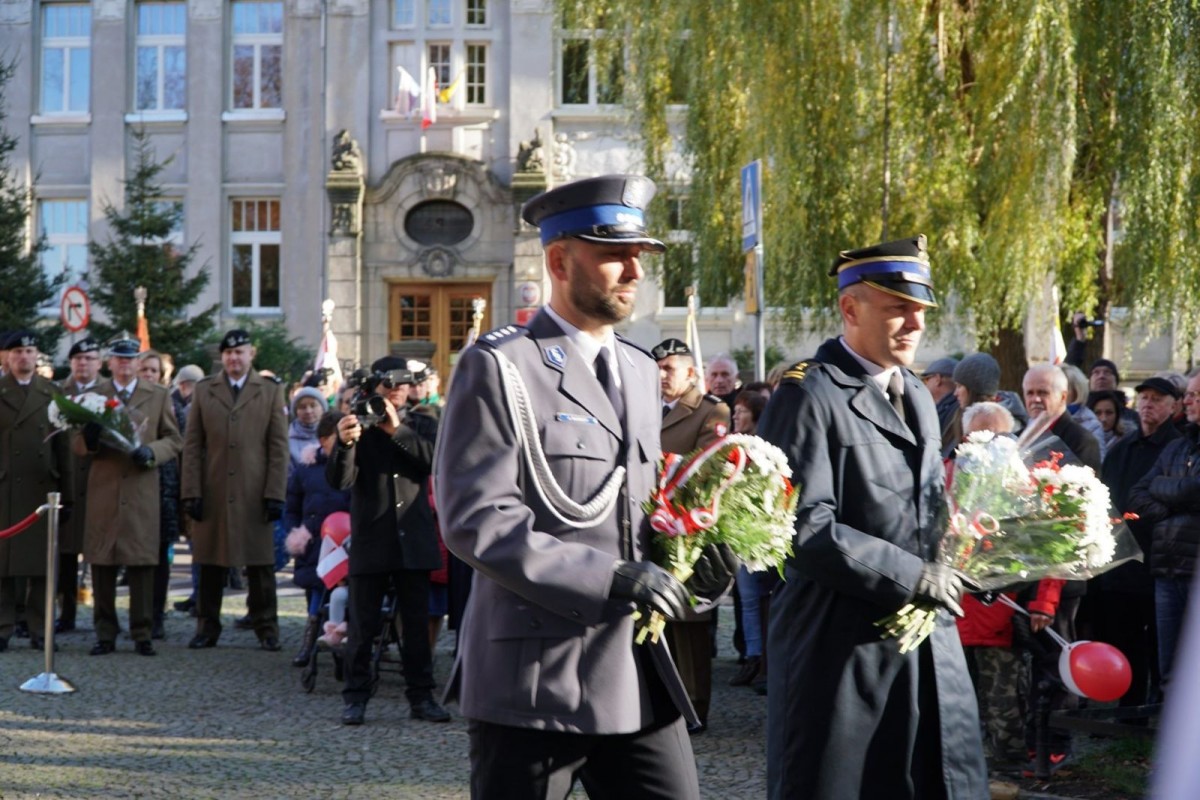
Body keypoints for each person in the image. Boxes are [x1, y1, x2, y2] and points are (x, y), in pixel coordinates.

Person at [435, 175, 729, 800]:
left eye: (639, 256)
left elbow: (642, 510)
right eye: (614, 255)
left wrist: (700, 559)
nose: (633, 272)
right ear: (560, 261)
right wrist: (609, 578)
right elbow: (477, 519)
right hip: (534, 673)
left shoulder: (639, 367)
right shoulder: (500, 366)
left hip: (633, 666)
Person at [758, 234, 988, 800]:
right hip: (840, 648)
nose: (913, 324)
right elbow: (803, 527)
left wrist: (974, 539)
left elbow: (923, 506)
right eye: (896, 309)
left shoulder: (915, 390)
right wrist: (912, 575)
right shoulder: (809, 393)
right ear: (850, 308)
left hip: (921, 640)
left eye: (919, 311)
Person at [327, 357, 449, 726]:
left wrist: (397, 430)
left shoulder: (424, 422)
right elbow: (339, 482)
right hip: (372, 539)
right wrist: (345, 445)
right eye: (388, 385)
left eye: (402, 385)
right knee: (362, 625)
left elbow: (435, 463)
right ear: (373, 387)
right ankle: (356, 697)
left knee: (416, 625)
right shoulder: (357, 425)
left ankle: (422, 697)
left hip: (413, 539)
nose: (395, 392)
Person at [180, 329, 289, 651]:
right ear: (222, 357)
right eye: (228, 353)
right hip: (212, 489)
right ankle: (206, 627)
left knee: (260, 566)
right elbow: (192, 444)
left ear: (251, 354)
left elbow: (278, 448)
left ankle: (266, 627)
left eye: (239, 352)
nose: (233, 358)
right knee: (210, 563)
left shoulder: (269, 391)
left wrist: (275, 493)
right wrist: (191, 492)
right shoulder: (205, 390)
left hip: (255, 491)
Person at [76, 335, 182, 657]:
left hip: (140, 488)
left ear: (139, 362)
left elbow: (174, 440)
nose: (124, 364)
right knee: (103, 562)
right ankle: (105, 632)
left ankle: (142, 631)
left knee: (141, 564)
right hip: (105, 488)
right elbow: (77, 448)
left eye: (130, 359)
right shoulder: (94, 396)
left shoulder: (159, 395)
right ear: (110, 363)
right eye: (119, 359)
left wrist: (152, 451)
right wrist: (89, 439)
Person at [653, 337, 732, 732]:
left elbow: (708, 468)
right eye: (659, 368)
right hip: (653, 524)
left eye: (670, 369)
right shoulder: (647, 407)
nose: (662, 375)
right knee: (658, 616)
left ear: (690, 373)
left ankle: (695, 706)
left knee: (691, 622)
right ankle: (663, 699)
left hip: (690, 527)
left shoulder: (710, 410)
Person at [1093, 376, 1181, 708]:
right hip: (1122, 562)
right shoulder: (1121, 449)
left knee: (1162, 646)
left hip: (1161, 561)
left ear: (1173, 406)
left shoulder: (1178, 447)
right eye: (1143, 397)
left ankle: (1160, 714)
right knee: (1124, 640)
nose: (1148, 404)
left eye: (1157, 398)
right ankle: (1128, 714)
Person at [953, 402, 1028, 769]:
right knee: (958, 703)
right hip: (954, 612)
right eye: (981, 436)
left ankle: (1009, 768)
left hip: (1002, 612)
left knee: (1003, 702)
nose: (990, 445)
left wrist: (1044, 603)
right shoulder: (947, 474)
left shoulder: (1027, 486)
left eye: (999, 436)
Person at [0, 331, 75, 652]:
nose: (23, 357)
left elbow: (65, 449)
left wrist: (68, 495)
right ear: (6, 357)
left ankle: (39, 629)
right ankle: (2, 628)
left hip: (42, 490)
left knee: (42, 568)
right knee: (3, 566)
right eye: (17, 351)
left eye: (29, 351)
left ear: (37, 356)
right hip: (4, 487)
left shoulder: (53, 392)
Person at [1127, 370, 1200, 690]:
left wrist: (1169, 493)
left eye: (1196, 396)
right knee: (1169, 667)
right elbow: (1138, 495)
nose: (1189, 400)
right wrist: (1177, 510)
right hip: (1167, 568)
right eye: (1189, 395)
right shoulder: (1177, 448)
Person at [283, 410, 349, 667]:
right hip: (313, 542)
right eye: (337, 438)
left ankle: (339, 639)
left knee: (341, 594)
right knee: (314, 594)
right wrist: (295, 532)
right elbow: (292, 505)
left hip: (344, 543)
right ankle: (309, 642)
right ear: (323, 440)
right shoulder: (306, 470)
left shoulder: (353, 469)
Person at [56, 336, 102, 634]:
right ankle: (67, 613)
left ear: (99, 362)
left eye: (89, 359)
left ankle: (104, 618)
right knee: (67, 554)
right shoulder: (59, 391)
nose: (83, 364)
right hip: (68, 480)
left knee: (102, 555)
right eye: (78, 359)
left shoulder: (110, 391)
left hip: (101, 482)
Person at [728, 389, 774, 694]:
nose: (735, 416)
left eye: (741, 412)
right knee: (746, 600)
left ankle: (765, 663)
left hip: (763, 534)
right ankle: (752, 656)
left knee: (762, 599)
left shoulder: (767, 446)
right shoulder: (734, 444)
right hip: (741, 533)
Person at [1062, 364, 1107, 460]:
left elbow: (1098, 462)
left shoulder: (1092, 425)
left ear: (1076, 391)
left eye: (1064, 388)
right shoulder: (1040, 418)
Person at [922, 356, 960, 455]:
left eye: (926, 380)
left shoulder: (954, 410)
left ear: (937, 379)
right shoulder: (955, 406)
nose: (924, 385)